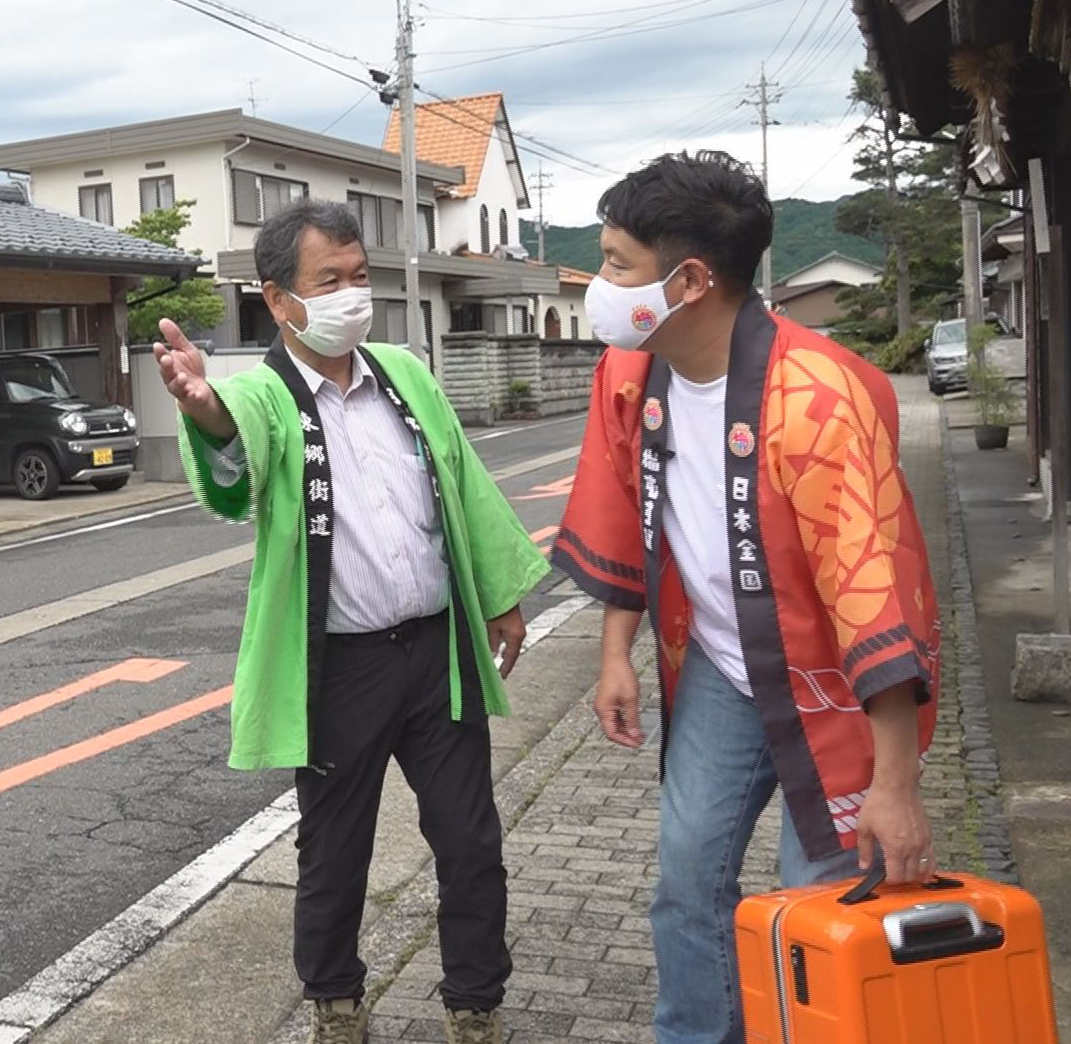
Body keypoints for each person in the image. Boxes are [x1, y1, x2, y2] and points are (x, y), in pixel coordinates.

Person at [550, 151, 940, 1044]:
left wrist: (897, 784)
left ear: (688, 280)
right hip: (725, 670)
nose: (601, 286)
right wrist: (616, 655)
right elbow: (624, 519)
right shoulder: (630, 371)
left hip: (841, 688)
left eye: (616, 264)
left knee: (827, 900)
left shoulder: (819, 397)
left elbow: (876, 599)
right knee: (685, 880)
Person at [155, 198, 549, 1044]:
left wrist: (499, 594)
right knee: (334, 854)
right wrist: (201, 407)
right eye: (327, 281)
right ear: (277, 299)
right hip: (341, 667)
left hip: (437, 649)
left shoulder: (405, 374)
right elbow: (235, 453)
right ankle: (335, 1001)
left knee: (470, 839)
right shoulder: (263, 393)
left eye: (359, 276)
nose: (351, 295)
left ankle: (476, 1005)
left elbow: (465, 482)